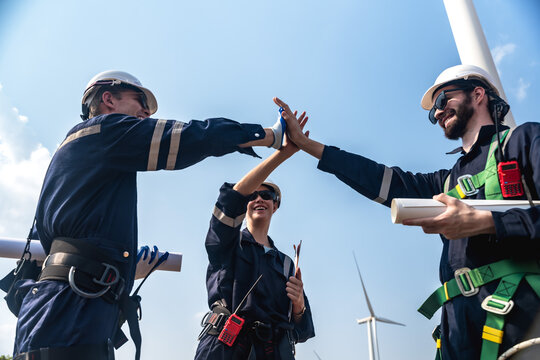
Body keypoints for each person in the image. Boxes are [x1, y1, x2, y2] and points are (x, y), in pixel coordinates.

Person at [10, 70, 290, 360]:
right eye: (139, 100)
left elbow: (54, 246)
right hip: (71, 310)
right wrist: (270, 136)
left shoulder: (73, 158)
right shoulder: (105, 132)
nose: (146, 111)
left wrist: (119, 267)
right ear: (108, 99)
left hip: (63, 307)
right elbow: (192, 137)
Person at [276, 64, 540, 359]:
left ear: (478, 94)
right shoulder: (445, 182)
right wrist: (306, 144)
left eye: (443, 101)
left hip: (520, 321)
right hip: (458, 332)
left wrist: (488, 222)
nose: (437, 113)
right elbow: (378, 178)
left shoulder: (524, 142)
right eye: (433, 112)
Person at [195, 112, 315, 360]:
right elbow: (231, 200)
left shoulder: (286, 263)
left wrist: (299, 307)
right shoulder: (227, 242)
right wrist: (282, 154)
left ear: (276, 205)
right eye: (252, 196)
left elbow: (301, 331)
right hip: (226, 350)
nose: (259, 199)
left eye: (267, 196)